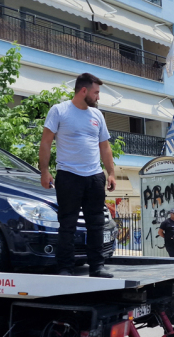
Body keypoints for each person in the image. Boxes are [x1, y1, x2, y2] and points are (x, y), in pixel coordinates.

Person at [39, 72, 116, 278]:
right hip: (68, 176)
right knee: (68, 225)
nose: (98, 97)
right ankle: (65, 268)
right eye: (96, 92)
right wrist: (44, 171)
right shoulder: (59, 111)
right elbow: (46, 142)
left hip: (94, 176)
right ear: (84, 91)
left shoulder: (97, 116)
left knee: (96, 224)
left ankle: (96, 267)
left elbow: (105, 147)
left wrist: (111, 173)